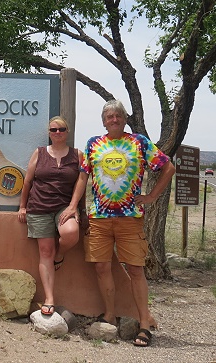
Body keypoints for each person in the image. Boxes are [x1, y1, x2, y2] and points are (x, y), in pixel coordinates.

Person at [63, 99, 175, 347]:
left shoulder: (139, 142)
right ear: (103, 121)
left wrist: (152, 196)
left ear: (125, 119)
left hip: (130, 218)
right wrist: (73, 206)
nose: (114, 120)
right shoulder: (94, 144)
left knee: (135, 270)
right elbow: (83, 178)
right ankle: (110, 315)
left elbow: (168, 167)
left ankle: (144, 324)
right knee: (102, 268)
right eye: (109, 117)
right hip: (100, 218)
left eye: (118, 116)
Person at [17, 116, 84, 316]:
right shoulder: (39, 153)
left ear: (67, 131)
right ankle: (49, 298)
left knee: (71, 233)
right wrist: (22, 207)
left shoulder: (77, 155)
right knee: (45, 252)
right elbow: (27, 182)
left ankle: (61, 253)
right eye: (53, 130)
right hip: (39, 207)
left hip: (64, 207)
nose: (57, 133)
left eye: (61, 129)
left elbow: (81, 185)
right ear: (49, 133)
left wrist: (77, 208)